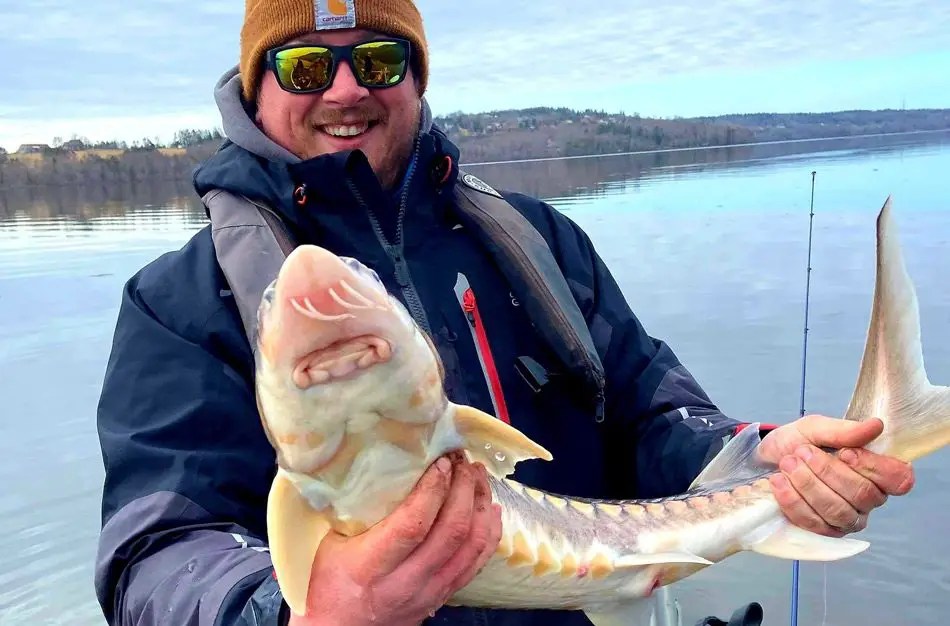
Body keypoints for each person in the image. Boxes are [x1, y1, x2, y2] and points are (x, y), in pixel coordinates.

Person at [93, 1, 916, 625]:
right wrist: (293, 610)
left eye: (379, 60)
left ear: (415, 77)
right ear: (255, 90)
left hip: (609, 591)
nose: (346, 90)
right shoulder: (179, 304)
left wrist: (757, 455)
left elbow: (646, 403)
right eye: (307, 68)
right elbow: (155, 551)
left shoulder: (536, 237)